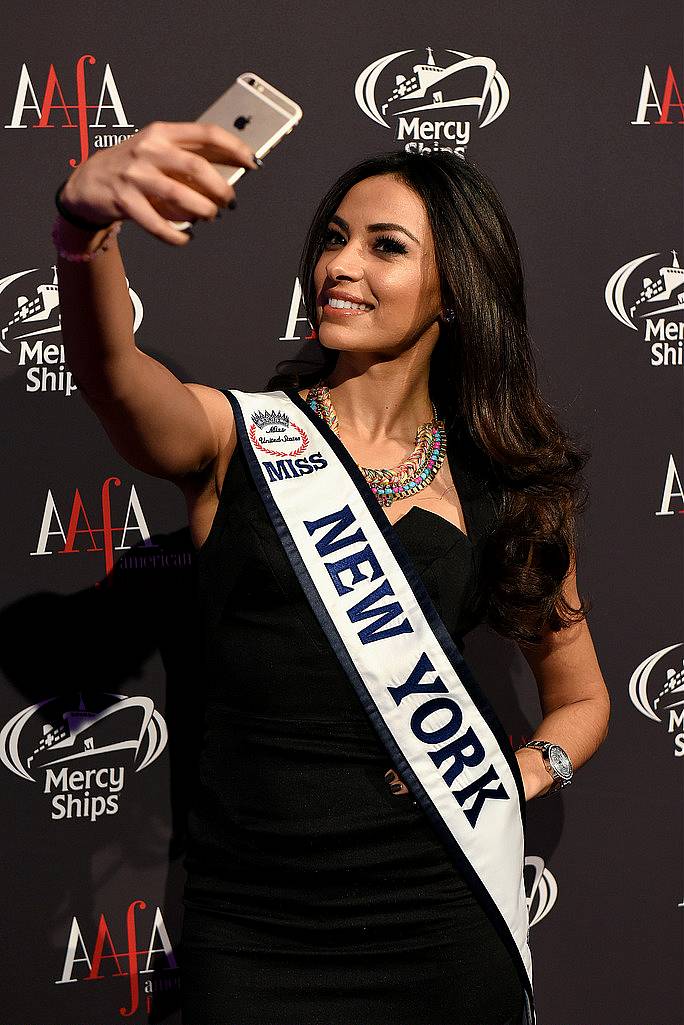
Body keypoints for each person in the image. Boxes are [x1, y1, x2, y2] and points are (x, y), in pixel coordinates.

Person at [53, 122, 611, 1025]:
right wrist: (86, 233)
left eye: (385, 246)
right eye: (333, 237)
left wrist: (529, 768)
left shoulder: (507, 490)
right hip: (258, 931)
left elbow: (582, 695)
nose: (339, 265)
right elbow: (116, 377)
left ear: (455, 292)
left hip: (443, 921)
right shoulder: (240, 438)